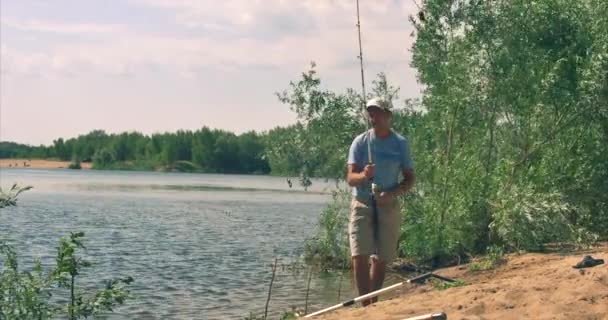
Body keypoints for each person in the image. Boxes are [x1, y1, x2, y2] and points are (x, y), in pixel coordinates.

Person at [346, 97, 416, 306]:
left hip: (388, 203)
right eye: (370, 112)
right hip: (363, 202)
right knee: (359, 255)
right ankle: (366, 306)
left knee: (381, 257)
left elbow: (410, 178)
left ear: (388, 116)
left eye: (377, 112)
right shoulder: (360, 142)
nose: (372, 116)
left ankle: (373, 303)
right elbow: (350, 178)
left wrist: (393, 193)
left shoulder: (400, 143)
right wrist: (364, 175)